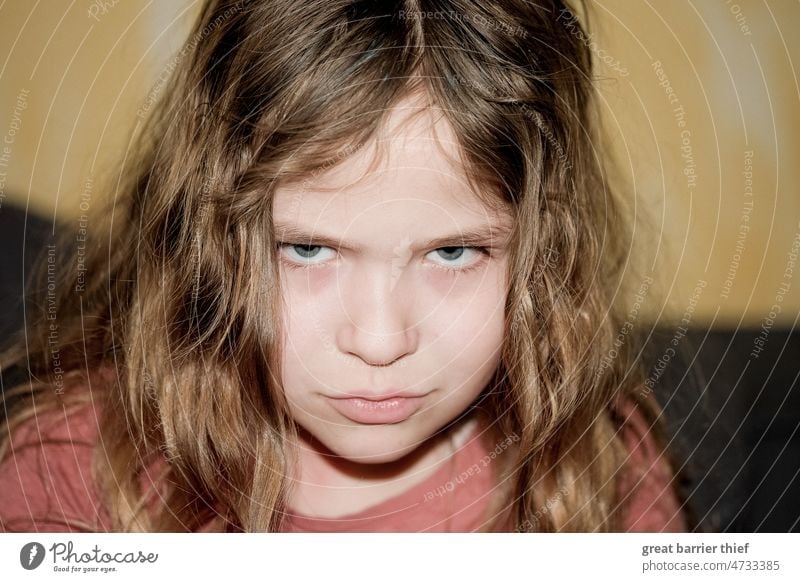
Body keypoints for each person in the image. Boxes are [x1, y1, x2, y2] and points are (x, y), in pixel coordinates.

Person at [0, 0, 691, 533]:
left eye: (452, 253)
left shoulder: (600, 474)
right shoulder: (72, 472)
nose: (381, 341)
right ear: (207, 239)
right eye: (309, 249)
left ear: (543, 254)